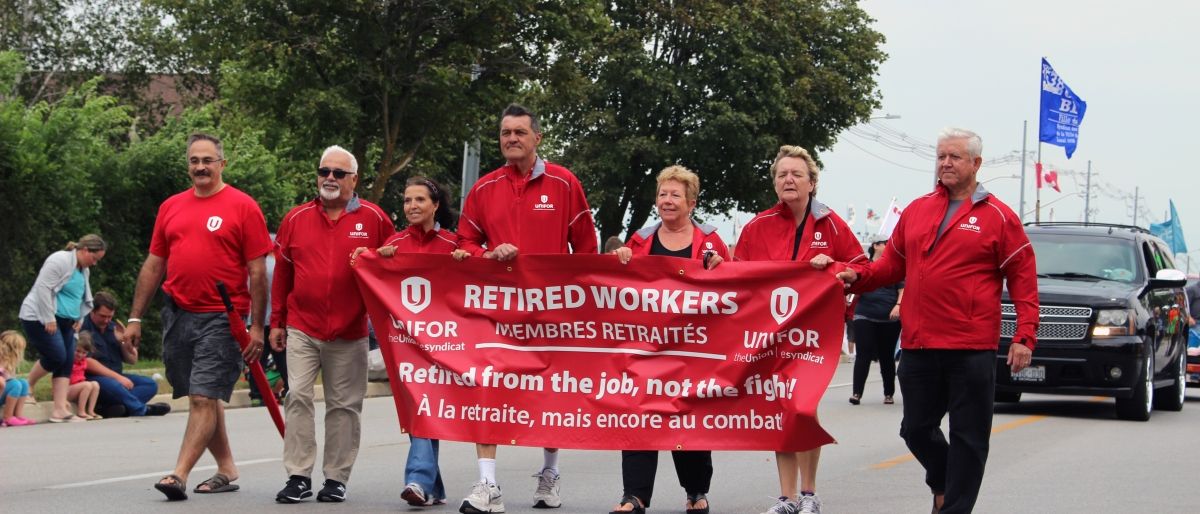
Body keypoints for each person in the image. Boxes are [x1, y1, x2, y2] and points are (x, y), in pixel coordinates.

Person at [835, 128, 1038, 514]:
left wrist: (1023, 336)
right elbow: (889, 266)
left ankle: (953, 508)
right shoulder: (917, 209)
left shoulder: (998, 216)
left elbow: (1024, 279)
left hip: (971, 347)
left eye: (955, 157)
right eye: (941, 156)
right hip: (920, 343)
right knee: (915, 429)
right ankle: (944, 481)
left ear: (976, 164)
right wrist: (856, 277)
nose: (945, 163)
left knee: (968, 438)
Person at [452, 103, 598, 513]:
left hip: (550, 313)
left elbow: (586, 247)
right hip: (497, 313)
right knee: (487, 391)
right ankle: (487, 485)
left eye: (519, 132)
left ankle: (549, 475)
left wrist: (572, 297)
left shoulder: (565, 183)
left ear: (538, 137)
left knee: (550, 396)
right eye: (505, 133)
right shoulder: (483, 188)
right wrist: (487, 253)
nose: (511, 139)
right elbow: (463, 243)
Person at [125, 132, 273, 501]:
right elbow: (154, 263)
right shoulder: (171, 206)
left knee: (203, 398)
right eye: (195, 161)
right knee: (199, 394)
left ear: (223, 163)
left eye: (208, 160)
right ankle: (226, 467)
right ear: (188, 165)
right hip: (178, 313)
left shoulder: (243, 206)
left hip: (224, 318)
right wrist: (135, 318)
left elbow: (258, 271)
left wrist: (257, 326)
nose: (201, 167)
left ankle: (178, 474)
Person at [734, 145, 866, 514]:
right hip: (771, 336)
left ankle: (809, 494)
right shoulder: (757, 227)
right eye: (781, 175)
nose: (788, 180)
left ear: (812, 182)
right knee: (782, 410)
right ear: (774, 183)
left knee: (802, 408)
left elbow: (861, 267)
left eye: (796, 174)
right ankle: (787, 496)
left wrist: (835, 264)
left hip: (814, 337)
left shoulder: (833, 224)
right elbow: (736, 276)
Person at [269, 145, 395, 504]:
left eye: (339, 174)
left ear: (354, 180)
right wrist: (276, 321)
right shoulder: (296, 218)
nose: (330, 179)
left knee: (344, 406)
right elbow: (283, 273)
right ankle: (298, 475)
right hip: (302, 327)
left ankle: (336, 478)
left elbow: (394, 265)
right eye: (324, 171)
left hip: (351, 330)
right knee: (299, 398)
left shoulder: (374, 219)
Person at [609, 165, 727, 514]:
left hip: (694, 350)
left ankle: (696, 491)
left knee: (687, 419)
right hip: (646, 348)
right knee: (639, 416)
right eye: (663, 194)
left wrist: (722, 269)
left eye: (676, 195)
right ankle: (635, 496)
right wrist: (620, 260)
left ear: (691, 202)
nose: (668, 200)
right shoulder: (640, 241)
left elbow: (735, 288)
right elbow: (618, 288)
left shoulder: (711, 241)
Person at [353, 176, 459, 507]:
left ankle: (422, 481)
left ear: (436, 204)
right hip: (406, 344)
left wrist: (467, 261)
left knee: (428, 407)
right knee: (421, 406)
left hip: (446, 345)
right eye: (407, 201)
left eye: (419, 200)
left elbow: (479, 279)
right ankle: (424, 483)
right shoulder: (393, 243)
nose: (412, 206)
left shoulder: (453, 244)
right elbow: (364, 270)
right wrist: (368, 257)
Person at [20, 234, 106, 423]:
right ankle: (28, 385)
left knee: (66, 361)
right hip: (40, 317)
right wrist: (48, 317)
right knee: (56, 356)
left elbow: (80, 296)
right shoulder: (59, 260)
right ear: (84, 250)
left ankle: (59, 409)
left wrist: (80, 317)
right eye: (94, 258)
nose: (94, 263)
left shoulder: (83, 270)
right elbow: (43, 288)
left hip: (67, 321)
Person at [82, 291, 170, 418]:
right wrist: (118, 378)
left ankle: (115, 409)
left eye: (110, 317)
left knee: (150, 384)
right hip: (95, 378)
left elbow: (132, 360)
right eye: (103, 316)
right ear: (92, 311)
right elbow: (87, 362)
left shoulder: (114, 328)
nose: (107, 320)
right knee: (115, 385)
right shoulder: (84, 328)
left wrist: (124, 342)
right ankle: (142, 409)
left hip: (117, 377)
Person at [848, 241, 903, 406]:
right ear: (875, 246)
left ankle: (888, 393)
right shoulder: (865, 266)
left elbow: (902, 289)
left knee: (886, 356)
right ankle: (856, 393)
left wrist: (898, 306)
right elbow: (853, 284)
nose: (887, 245)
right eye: (883, 243)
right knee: (863, 354)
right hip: (864, 314)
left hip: (889, 317)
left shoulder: (895, 267)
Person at [0, 330, 37, 427]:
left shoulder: (10, 363)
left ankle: (18, 415)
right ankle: (7, 417)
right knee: (15, 384)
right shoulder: (2, 360)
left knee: (23, 382)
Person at [68, 332, 102, 420]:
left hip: (78, 387)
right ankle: (81, 411)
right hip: (66, 389)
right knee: (87, 385)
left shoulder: (83, 361)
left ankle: (91, 411)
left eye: (84, 353)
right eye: (78, 351)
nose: (80, 355)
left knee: (95, 384)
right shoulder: (68, 360)